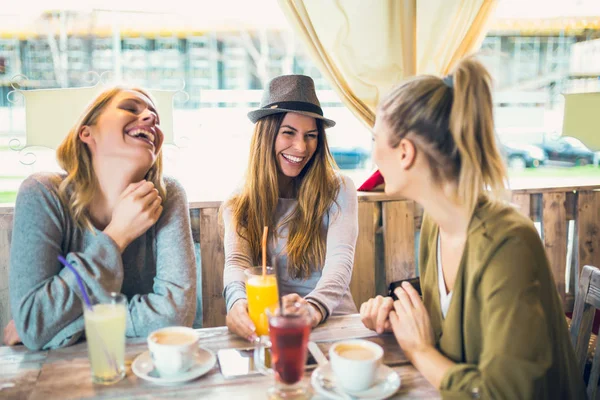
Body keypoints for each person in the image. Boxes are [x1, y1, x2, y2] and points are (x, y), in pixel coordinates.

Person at [359, 58, 585, 398]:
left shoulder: (508, 244)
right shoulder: (436, 225)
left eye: (376, 138)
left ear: (405, 152)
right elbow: (452, 318)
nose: (373, 152)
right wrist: (399, 313)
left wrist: (419, 350)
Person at [5, 87, 196, 350]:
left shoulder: (168, 194)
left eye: (155, 117)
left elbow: (174, 315)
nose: (151, 118)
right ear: (87, 132)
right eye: (130, 108)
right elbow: (34, 321)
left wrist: (61, 326)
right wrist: (116, 237)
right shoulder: (43, 193)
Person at [223, 75, 358, 341]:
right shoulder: (240, 199)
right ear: (267, 135)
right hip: (271, 328)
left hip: (332, 323)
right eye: (288, 133)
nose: (301, 147)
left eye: (311, 136)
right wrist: (237, 302)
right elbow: (237, 261)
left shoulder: (340, 188)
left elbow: (340, 261)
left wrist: (313, 308)